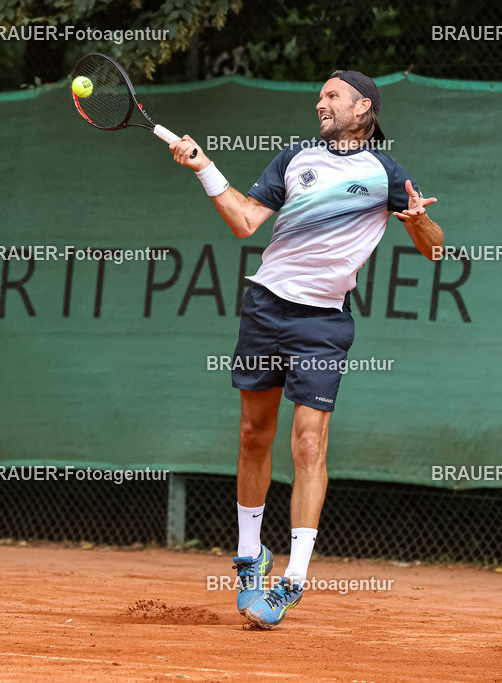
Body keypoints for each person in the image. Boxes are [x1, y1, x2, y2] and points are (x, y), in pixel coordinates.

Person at [168, 70, 443, 628]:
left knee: (309, 444)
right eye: (319, 95)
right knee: (254, 434)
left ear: (363, 106)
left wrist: (418, 222)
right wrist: (204, 167)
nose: (321, 102)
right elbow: (246, 221)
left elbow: (435, 250)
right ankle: (250, 558)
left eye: (332, 95)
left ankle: (291, 579)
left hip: (323, 324)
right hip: (267, 306)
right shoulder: (293, 159)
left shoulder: (385, 173)